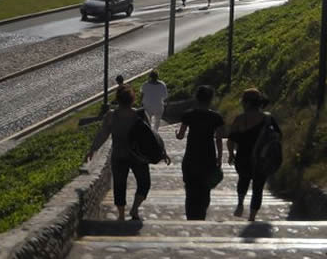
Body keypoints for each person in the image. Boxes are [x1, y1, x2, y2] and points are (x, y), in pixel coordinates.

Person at [86, 86, 168, 221]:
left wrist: (93, 149)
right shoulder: (140, 114)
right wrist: (162, 152)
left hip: (119, 155)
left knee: (119, 185)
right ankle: (135, 209)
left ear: (117, 100)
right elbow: (151, 137)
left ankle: (121, 215)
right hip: (139, 157)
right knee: (144, 183)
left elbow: (103, 135)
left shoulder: (111, 116)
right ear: (132, 100)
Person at [227, 88, 281, 221]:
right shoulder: (268, 118)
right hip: (262, 159)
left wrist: (230, 154)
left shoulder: (240, 119)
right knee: (258, 188)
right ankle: (252, 216)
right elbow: (279, 136)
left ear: (246, 103)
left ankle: (240, 203)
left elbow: (231, 140)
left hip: (243, 157)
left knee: (243, 180)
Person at [176, 86, 225, 220]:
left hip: (191, 156)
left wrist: (177, 134)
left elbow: (180, 135)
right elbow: (219, 139)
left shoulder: (188, 115)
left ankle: (190, 215)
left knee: (190, 188)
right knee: (205, 188)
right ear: (210, 99)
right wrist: (220, 158)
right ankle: (201, 214)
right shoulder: (216, 117)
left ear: (197, 98)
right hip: (208, 157)